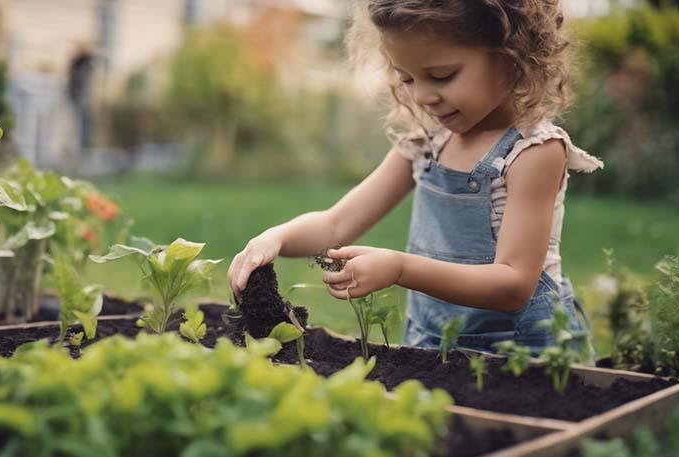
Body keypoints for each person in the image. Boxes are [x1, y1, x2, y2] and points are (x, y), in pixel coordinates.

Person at [227, 0, 604, 357]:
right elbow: (335, 224)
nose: (422, 96)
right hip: (433, 347)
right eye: (405, 78)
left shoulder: (532, 152)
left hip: (524, 354)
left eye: (442, 75)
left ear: (510, 55)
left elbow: (514, 284)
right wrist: (274, 239)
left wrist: (400, 269)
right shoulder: (427, 144)